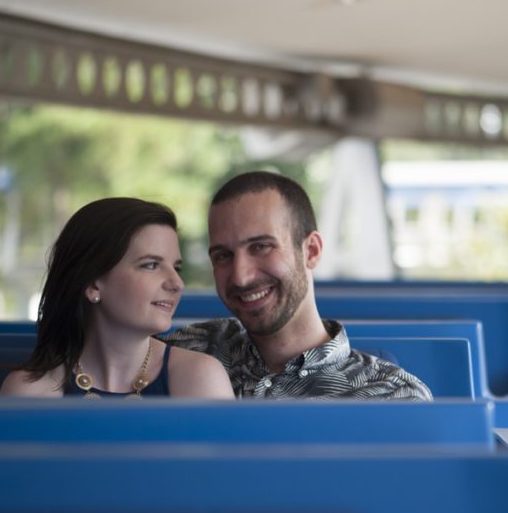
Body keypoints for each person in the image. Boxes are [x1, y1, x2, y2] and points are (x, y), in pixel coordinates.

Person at [166, 171, 432, 400]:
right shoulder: (188, 347)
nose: (241, 277)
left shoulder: (390, 397)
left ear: (312, 251)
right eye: (223, 256)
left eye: (261, 247)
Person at [0, 197, 234, 399]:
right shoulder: (30, 392)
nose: (177, 284)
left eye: (176, 268)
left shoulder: (200, 378)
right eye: (151, 265)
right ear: (93, 284)